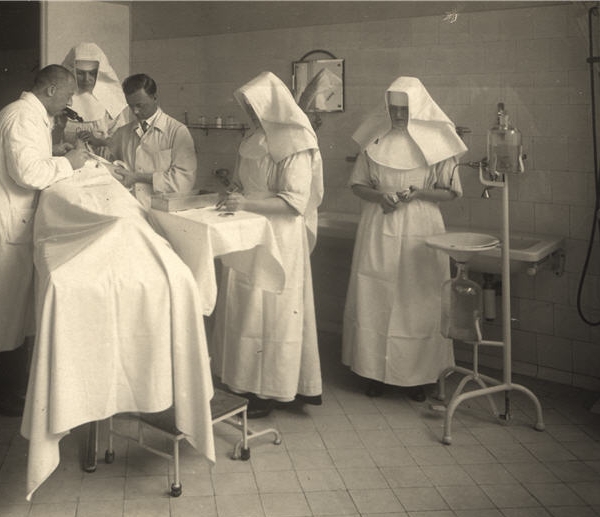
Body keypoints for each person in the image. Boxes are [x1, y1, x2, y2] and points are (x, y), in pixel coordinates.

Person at [0, 64, 90, 416]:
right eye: (68, 94)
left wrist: (56, 152)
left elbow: (27, 159)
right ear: (50, 90)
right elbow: (28, 173)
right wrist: (70, 163)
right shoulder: (23, 118)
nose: (71, 100)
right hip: (5, 220)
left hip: (7, 214)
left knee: (3, 309)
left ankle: (5, 390)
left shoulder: (25, 114)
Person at [342, 76, 467, 402]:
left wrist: (418, 194)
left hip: (421, 230)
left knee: (418, 301)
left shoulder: (438, 144)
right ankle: (375, 373)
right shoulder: (374, 141)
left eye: (404, 108)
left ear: (418, 108)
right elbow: (357, 184)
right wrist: (379, 197)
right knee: (376, 296)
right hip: (378, 224)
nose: (398, 114)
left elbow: (451, 192)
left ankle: (419, 377)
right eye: (393, 108)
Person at [211, 71, 324, 419]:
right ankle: (243, 381)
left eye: (253, 106)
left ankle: (273, 389)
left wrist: (244, 203)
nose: (249, 113)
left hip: (279, 236)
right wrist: (236, 194)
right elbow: (246, 183)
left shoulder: (296, 141)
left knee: (273, 313)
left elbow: (294, 201)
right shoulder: (255, 137)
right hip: (251, 231)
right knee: (246, 308)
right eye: (246, 107)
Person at [108, 73, 197, 206]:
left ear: (154, 97)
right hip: (130, 209)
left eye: (140, 105)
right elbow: (107, 161)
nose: (135, 112)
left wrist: (136, 177)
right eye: (131, 106)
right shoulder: (122, 133)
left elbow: (183, 182)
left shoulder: (177, 131)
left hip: (162, 211)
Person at [55, 42, 132, 158]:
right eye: (80, 73)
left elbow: (122, 140)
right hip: (68, 160)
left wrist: (104, 145)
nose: (87, 79)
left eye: (92, 73)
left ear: (100, 72)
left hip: (102, 161)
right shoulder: (60, 100)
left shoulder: (110, 100)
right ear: (72, 71)